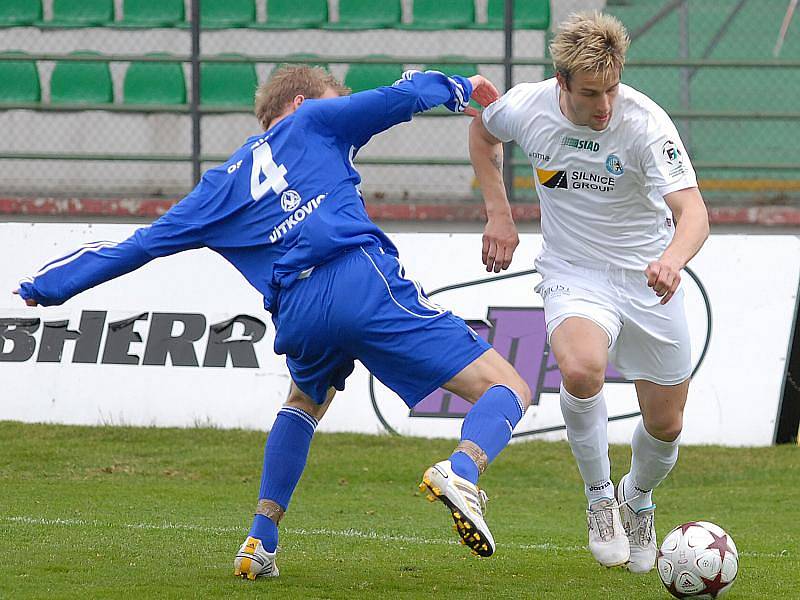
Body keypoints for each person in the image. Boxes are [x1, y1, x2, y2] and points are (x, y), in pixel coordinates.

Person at [14, 65, 532, 579]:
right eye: (332, 99)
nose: (338, 106)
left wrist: (49, 286)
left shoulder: (216, 189)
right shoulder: (315, 123)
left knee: (304, 401)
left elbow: (136, 247)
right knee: (509, 387)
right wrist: (462, 87)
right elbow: (405, 95)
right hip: (356, 278)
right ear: (301, 104)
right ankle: (462, 471)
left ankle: (260, 539)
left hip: (299, 313)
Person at [469, 12, 709, 574]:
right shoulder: (528, 107)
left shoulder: (646, 124)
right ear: (562, 85)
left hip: (648, 274)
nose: (604, 106)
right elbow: (483, 130)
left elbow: (693, 211)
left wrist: (672, 260)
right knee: (580, 371)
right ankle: (600, 497)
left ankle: (637, 498)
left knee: (667, 424)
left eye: (612, 89)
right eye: (591, 94)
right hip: (575, 271)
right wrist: (499, 215)